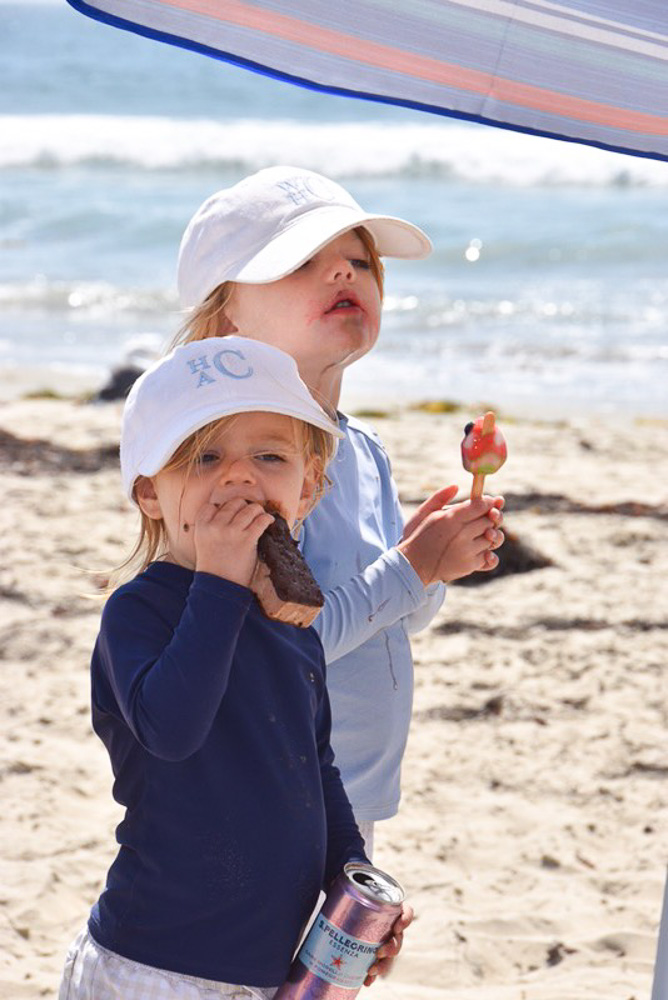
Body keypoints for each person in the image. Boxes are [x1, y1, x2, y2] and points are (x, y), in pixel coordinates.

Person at [58, 336, 411, 1000]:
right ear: (150, 494)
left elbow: (314, 769)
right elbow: (171, 731)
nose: (239, 477)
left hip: (267, 967)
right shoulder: (139, 612)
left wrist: (354, 878)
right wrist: (218, 581)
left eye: (269, 456)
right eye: (204, 456)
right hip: (155, 960)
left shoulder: (292, 626)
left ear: (306, 490)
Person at [173, 166, 505, 859]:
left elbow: (399, 618)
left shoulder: (362, 448)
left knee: (335, 968)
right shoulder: (242, 465)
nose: (342, 274)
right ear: (228, 310)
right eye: (304, 263)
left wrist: (428, 564)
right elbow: (285, 646)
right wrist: (411, 566)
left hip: (352, 789)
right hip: (269, 790)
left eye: (358, 260)